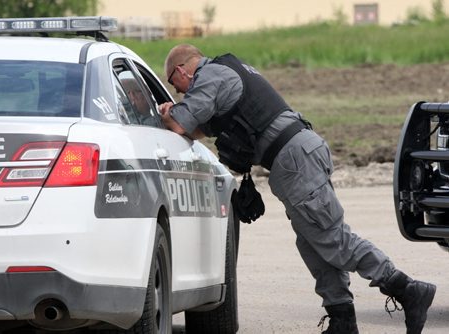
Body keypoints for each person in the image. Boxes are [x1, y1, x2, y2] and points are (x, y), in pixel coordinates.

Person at [158, 44, 436, 334]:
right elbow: (198, 128)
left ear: (181, 70)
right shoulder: (223, 74)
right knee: (312, 239)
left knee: (332, 238)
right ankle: (342, 319)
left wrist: (167, 112)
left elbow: (179, 123)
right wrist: (179, 118)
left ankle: (408, 290)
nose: (178, 93)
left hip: (294, 159)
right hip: (295, 156)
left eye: (173, 85)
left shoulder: (210, 75)